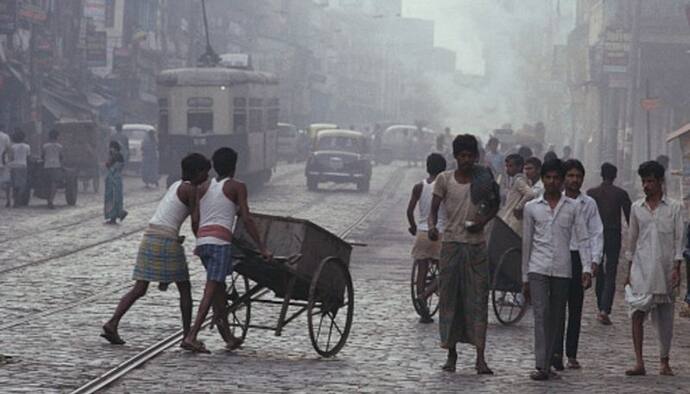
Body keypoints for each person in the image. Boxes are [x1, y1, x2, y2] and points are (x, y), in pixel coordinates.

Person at [101, 153, 211, 345]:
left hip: (151, 236)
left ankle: (112, 322)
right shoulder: (191, 189)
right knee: (184, 289)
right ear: (198, 172)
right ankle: (188, 336)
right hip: (166, 241)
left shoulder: (176, 184)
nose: (207, 177)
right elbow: (195, 221)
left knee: (139, 288)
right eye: (205, 173)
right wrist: (202, 242)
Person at [181, 147, 272, 353]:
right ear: (235, 166)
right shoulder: (237, 186)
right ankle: (192, 335)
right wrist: (262, 247)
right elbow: (246, 219)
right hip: (220, 243)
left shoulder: (202, 187)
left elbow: (195, 219)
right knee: (211, 290)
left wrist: (201, 238)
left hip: (203, 242)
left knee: (219, 291)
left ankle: (228, 337)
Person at [428, 134, 500, 374]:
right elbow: (434, 210)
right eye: (462, 156)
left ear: (476, 157)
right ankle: (451, 354)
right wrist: (431, 227)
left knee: (478, 302)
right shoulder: (444, 179)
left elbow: (494, 205)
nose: (466, 160)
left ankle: (480, 358)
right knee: (451, 301)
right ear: (456, 156)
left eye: (470, 156)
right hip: (451, 246)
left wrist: (482, 222)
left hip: (476, 246)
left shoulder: (483, 180)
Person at [522, 158, 593, 381]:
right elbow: (527, 242)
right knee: (541, 314)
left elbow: (583, 238)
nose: (552, 182)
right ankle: (541, 364)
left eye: (556, 178)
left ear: (561, 181)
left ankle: (551, 359)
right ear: (542, 180)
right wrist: (524, 275)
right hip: (537, 268)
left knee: (555, 315)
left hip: (563, 269)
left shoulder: (573, 208)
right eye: (548, 178)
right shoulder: (531, 208)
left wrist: (587, 267)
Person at [624, 160, 683, 377]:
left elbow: (679, 241)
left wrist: (677, 267)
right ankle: (639, 362)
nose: (646, 185)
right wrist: (629, 271)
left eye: (650, 181)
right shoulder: (636, 208)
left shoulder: (675, 208)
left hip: (665, 270)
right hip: (641, 269)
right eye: (644, 181)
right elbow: (632, 241)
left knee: (665, 320)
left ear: (660, 182)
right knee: (637, 313)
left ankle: (664, 361)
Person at [552, 159, 603, 371]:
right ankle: (555, 352)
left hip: (578, 259)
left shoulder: (588, 203)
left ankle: (571, 354)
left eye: (578, 176)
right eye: (571, 176)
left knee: (575, 307)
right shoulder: (555, 201)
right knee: (556, 308)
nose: (575, 180)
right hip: (557, 257)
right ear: (564, 178)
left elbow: (596, 232)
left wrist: (593, 262)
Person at [587, 163, 631, 325]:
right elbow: (630, 218)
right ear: (615, 175)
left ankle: (601, 307)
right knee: (611, 271)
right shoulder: (620, 194)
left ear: (601, 174)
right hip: (613, 234)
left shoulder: (592, 193)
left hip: (595, 235)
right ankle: (605, 309)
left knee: (599, 270)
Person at [406, 153, 447, 323]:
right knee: (445, 271)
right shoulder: (445, 186)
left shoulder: (419, 186)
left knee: (421, 271)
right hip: (440, 233)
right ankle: (425, 295)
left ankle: (421, 302)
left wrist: (414, 226)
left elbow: (409, 211)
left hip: (422, 233)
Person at [498, 154, 536, 235]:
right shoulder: (518, 180)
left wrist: (518, 207)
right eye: (507, 166)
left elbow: (530, 194)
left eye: (511, 166)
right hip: (511, 219)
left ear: (519, 167)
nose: (507, 169)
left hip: (513, 220)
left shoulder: (519, 180)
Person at [104, 141, 128, 224]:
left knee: (114, 198)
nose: (111, 149)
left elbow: (110, 166)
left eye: (112, 147)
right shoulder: (115, 155)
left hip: (114, 180)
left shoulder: (117, 156)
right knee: (113, 198)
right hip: (114, 180)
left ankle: (114, 216)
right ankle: (116, 215)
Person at [8, 129, 31, 207]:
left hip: (13, 166)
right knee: (22, 185)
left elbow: (10, 157)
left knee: (14, 185)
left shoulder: (12, 147)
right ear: (23, 138)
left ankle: (15, 201)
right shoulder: (27, 146)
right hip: (23, 166)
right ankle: (18, 200)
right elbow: (28, 158)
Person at [42, 129, 63, 209]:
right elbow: (61, 157)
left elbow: (43, 156)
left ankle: (48, 200)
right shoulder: (60, 146)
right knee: (54, 184)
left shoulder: (45, 146)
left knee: (47, 184)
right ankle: (51, 200)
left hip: (47, 166)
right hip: (56, 166)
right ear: (57, 137)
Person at [0, 125, 10, 207]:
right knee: (6, 181)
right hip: (3, 161)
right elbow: (8, 148)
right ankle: (8, 200)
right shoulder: (5, 136)